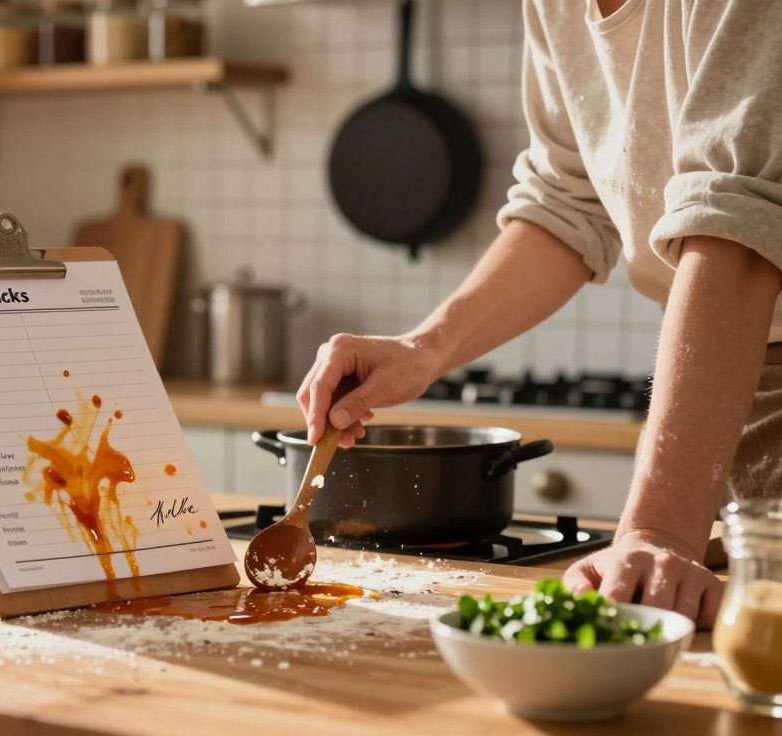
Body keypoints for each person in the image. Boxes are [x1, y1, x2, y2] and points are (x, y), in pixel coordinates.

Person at [298, 0, 782, 630]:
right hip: (736, 383)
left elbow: (739, 224)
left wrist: (660, 529)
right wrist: (425, 348)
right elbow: (565, 201)